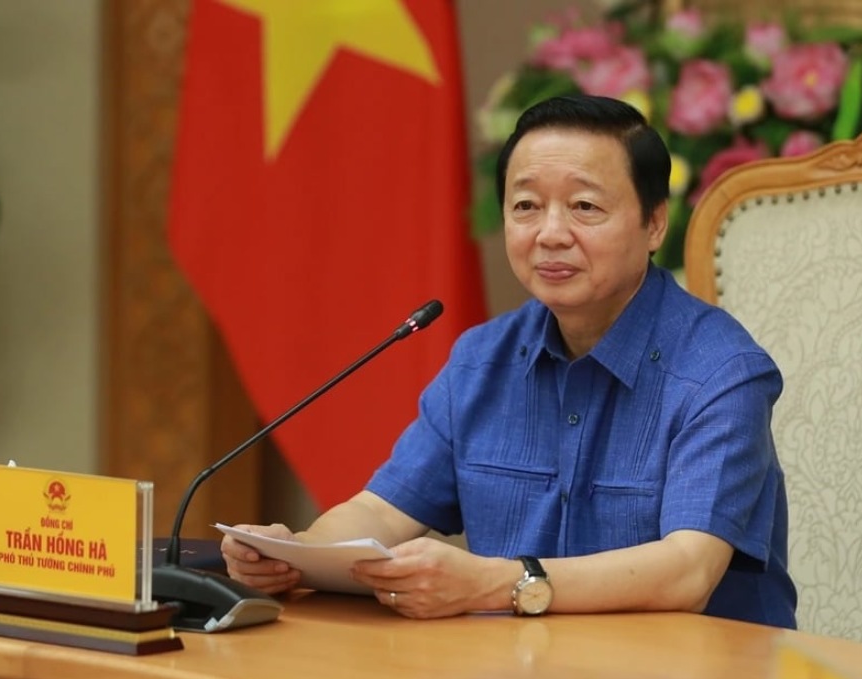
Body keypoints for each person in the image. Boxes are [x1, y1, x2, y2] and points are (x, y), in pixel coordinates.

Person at [222, 94, 797, 628]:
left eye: (584, 206)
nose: (550, 233)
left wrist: (496, 583)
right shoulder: (481, 361)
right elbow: (381, 513)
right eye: (526, 206)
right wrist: (294, 553)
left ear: (654, 223)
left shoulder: (721, 373)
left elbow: (688, 571)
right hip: (520, 676)